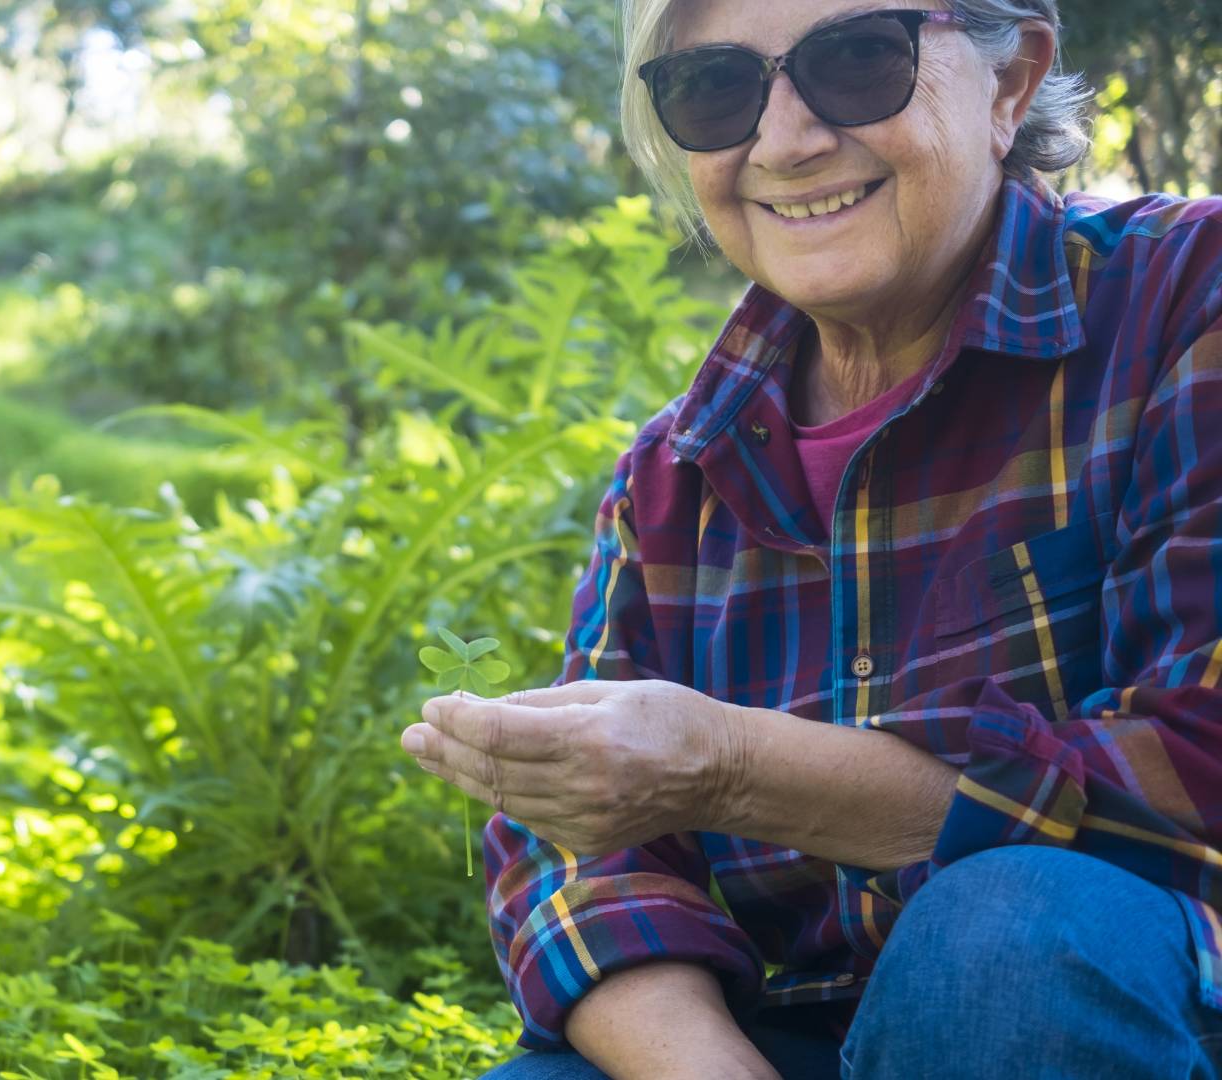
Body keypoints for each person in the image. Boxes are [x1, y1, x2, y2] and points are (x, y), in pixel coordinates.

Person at [397, 1, 1222, 1077]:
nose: (784, 142)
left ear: (1012, 81)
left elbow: (1201, 762)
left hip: (1141, 1006)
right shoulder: (675, 469)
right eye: (716, 88)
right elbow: (577, 858)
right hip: (788, 1034)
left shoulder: (1186, 298)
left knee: (1010, 936)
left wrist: (730, 767)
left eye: (859, 59)